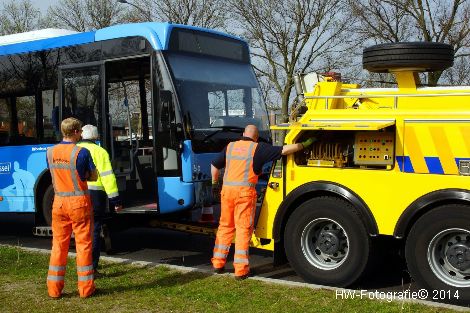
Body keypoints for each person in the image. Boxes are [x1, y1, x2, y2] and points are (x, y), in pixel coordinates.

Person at [210, 124, 315, 280]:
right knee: (243, 229)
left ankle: (218, 264)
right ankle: (241, 270)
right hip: (244, 195)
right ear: (256, 137)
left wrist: (214, 184)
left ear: (243, 133)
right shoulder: (258, 148)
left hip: (227, 192)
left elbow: (214, 165)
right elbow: (284, 150)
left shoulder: (230, 147)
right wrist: (304, 144)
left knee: (225, 227)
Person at [46, 117, 98, 298]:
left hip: (58, 202)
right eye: (80, 131)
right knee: (83, 245)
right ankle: (85, 289)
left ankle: (54, 290)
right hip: (78, 204)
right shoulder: (81, 152)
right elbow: (92, 177)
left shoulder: (50, 152)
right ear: (76, 132)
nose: (81, 134)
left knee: (58, 245)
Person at [78, 124, 123, 274]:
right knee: (93, 231)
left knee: (80, 232)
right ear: (96, 137)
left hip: (76, 196)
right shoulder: (100, 152)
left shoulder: (73, 150)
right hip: (95, 197)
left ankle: (82, 265)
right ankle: (92, 267)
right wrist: (115, 201)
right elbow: (108, 178)